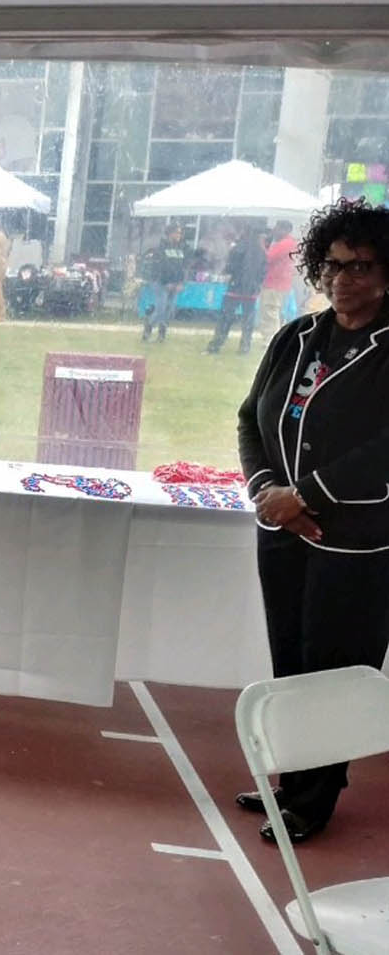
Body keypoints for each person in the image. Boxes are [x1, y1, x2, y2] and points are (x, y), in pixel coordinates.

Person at [236, 199, 389, 844]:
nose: (343, 278)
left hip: (354, 540)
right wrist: (268, 489)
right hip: (285, 534)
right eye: (332, 264)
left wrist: (309, 495)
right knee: (292, 660)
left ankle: (313, 800)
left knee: (336, 670)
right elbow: (251, 418)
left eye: (360, 266)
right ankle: (294, 778)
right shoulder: (296, 337)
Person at [208, 227, 268, 354]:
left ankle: (216, 345)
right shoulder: (261, 251)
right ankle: (245, 347)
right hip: (251, 291)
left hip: (235, 288)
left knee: (226, 318)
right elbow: (263, 271)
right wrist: (257, 284)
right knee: (248, 321)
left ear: (245, 233)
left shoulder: (237, 248)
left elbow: (231, 267)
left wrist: (228, 273)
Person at [143, 223, 190, 343]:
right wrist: (166, 282)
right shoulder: (161, 247)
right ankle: (148, 328)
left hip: (175, 283)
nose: (179, 235)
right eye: (177, 232)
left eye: (180, 232)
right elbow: (159, 267)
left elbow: (183, 267)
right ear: (170, 233)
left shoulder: (182, 247)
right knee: (161, 310)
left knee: (169, 310)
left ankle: (161, 335)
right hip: (160, 282)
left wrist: (180, 283)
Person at [261, 220, 299, 330]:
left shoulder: (285, 243)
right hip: (281, 284)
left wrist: (261, 244)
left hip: (275, 284)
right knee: (273, 313)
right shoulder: (291, 243)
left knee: (269, 315)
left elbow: (268, 258)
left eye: (276, 229)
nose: (273, 232)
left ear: (285, 230)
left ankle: (269, 342)